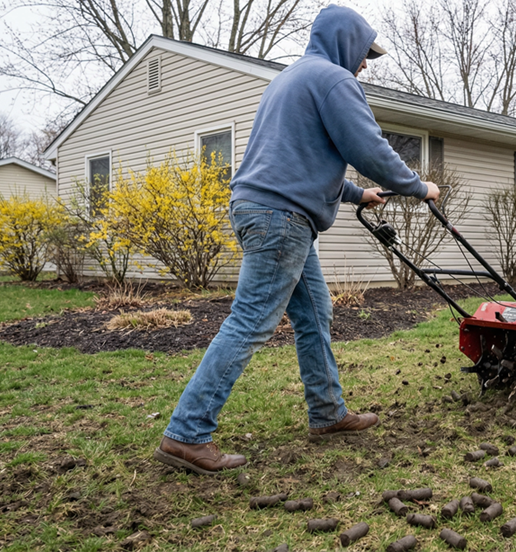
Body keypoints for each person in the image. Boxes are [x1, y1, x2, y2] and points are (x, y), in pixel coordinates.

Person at [153, 4, 439, 475]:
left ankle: (327, 412)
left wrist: (355, 194)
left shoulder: (291, 78)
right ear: (345, 41)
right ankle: (186, 432)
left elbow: (296, 163)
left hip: (270, 209)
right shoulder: (334, 79)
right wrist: (417, 187)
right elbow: (369, 148)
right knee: (251, 321)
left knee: (314, 311)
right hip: (281, 217)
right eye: (364, 52)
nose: (365, 63)